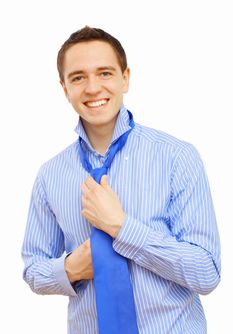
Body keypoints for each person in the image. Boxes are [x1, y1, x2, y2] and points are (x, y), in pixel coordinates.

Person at [22, 26, 221, 334]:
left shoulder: (177, 157)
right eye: (78, 77)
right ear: (64, 89)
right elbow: (33, 268)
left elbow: (207, 272)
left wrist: (122, 227)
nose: (92, 88)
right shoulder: (50, 175)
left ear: (125, 78)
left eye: (104, 73)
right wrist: (71, 268)